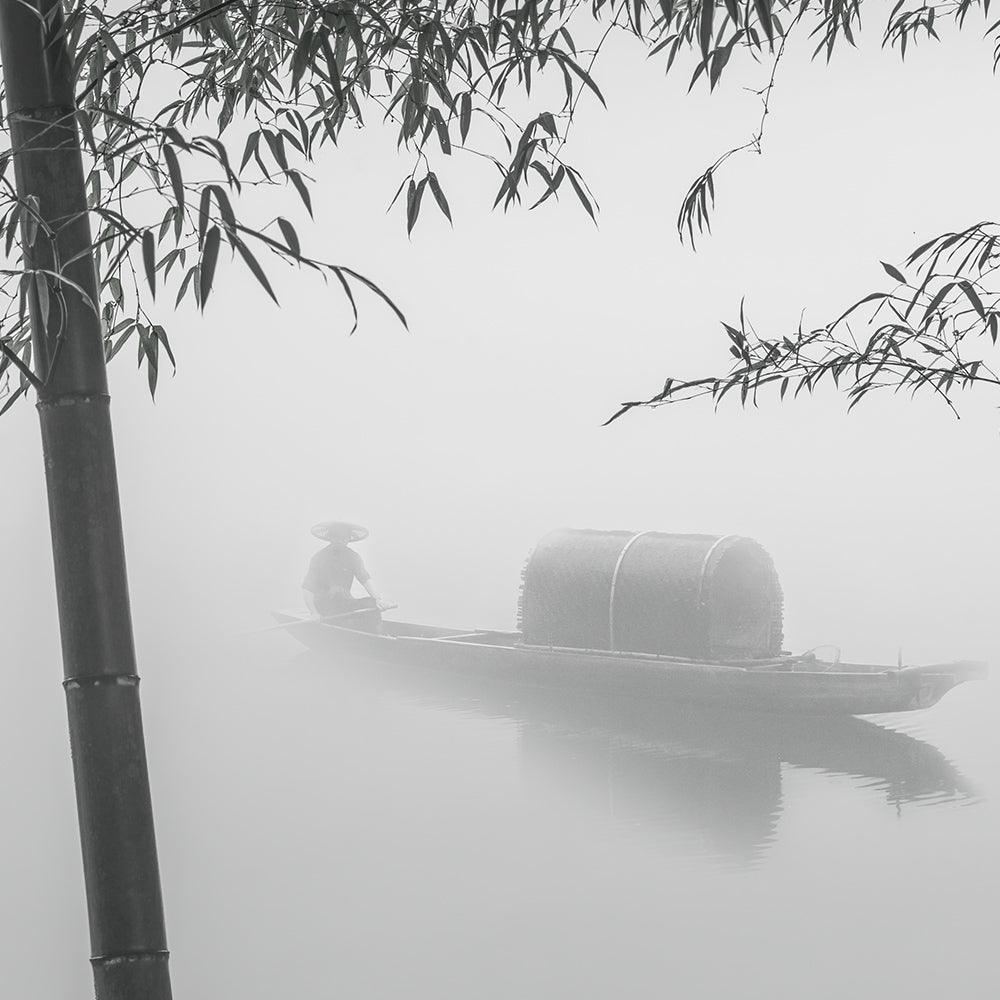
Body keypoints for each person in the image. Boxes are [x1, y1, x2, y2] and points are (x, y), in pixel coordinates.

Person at [302, 521, 389, 623]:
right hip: (325, 605)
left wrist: (378, 599)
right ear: (331, 538)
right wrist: (314, 613)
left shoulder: (353, 557)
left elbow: (365, 578)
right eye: (336, 537)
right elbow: (307, 588)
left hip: (345, 603)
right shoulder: (319, 558)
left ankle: (375, 634)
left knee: (372, 603)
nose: (340, 541)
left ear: (348, 539)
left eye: (344, 538)